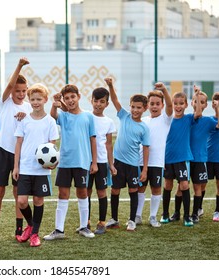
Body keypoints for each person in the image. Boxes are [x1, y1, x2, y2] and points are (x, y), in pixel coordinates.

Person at [0, 57, 32, 243]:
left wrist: (25, 116)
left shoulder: (28, 107)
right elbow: (11, 84)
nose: (20, 94)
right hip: (3, 152)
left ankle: (19, 230)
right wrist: (19, 65)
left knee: (18, 194)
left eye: (23, 91)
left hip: (20, 156)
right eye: (17, 91)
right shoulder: (6, 102)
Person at [44, 84, 98, 241]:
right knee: (63, 194)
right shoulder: (64, 116)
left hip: (82, 162)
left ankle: (84, 227)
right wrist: (55, 104)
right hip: (65, 162)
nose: (70, 100)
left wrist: (94, 162)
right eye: (66, 98)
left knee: (82, 192)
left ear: (79, 96)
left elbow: (93, 140)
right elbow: (53, 116)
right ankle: (58, 230)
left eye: (72, 97)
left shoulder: (88, 116)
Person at [12, 83, 59, 247]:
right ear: (29, 100)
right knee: (22, 201)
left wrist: (52, 163)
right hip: (25, 167)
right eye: (33, 99)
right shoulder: (24, 120)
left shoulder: (50, 121)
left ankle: (34, 234)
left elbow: (52, 146)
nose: (36, 102)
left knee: (38, 200)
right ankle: (31, 225)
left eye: (39, 99)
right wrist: (16, 166)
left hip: (41, 170)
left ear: (45, 99)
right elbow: (18, 143)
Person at [104, 77, 150, 232]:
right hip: (118, 162)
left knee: (133, 191)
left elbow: (145, 148)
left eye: (138, 107)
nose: (135, 110)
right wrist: (110, 85)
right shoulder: (124, 116)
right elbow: (115, 99)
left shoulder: (144, 128)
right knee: (115, 190)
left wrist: (144, 170)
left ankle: (131, 220)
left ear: (145, 108)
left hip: (132, 165)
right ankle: (114, 219)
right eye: (133, 107)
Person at [160, 90, 201, 227]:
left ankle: (187, 216)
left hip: (182, 159)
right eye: (176, 104)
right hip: (168, 158)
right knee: (168, 185)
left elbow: (199, 113)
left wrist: (196, 95)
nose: (178, 106)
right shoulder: (168, 120)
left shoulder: (189, 118)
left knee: (184, 185)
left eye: (181, 104)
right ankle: (165, 214)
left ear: (186, 105)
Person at [136, 82, 173, 228]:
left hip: (157, 162)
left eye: (158, 103)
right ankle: (137, 216)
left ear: (162, 105)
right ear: (147, 105)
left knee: (156, 189)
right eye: (152, 103)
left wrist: (164, 89)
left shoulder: (165, 119)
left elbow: (170, 106)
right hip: (140, 161)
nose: (154, 106)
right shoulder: (143, 121)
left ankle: (153, 217)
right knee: (140, 188)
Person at [187, 88, 219, 223]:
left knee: (198, 187)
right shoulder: (187, 119)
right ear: (192, 103)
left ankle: (195, 213)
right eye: (196, 101)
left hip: (200, 159)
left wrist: (217, 109)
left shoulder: (208, 121)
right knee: (181, 187)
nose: (199, 104)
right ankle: (178, 213)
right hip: (186, 159)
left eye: (202, 102)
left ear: (205, 105)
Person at [86, 87, 116, 234]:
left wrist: (111, 165)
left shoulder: (109, 121)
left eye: (102, 101)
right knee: (86, 192)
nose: (98, 104)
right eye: (95, 101)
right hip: (86, 161)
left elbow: (109, 144)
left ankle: (101, 222)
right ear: (91, 101)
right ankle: (86, 222)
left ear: (107, 104)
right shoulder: (86, 117)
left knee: (101, 192)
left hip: (102, 162)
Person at [205, 92, 219, 222]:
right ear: (213, 106)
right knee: (201, 185)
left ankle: (217, 211)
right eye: (218, 105)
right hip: (207, 158)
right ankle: (198, 209)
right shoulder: (209, 120)